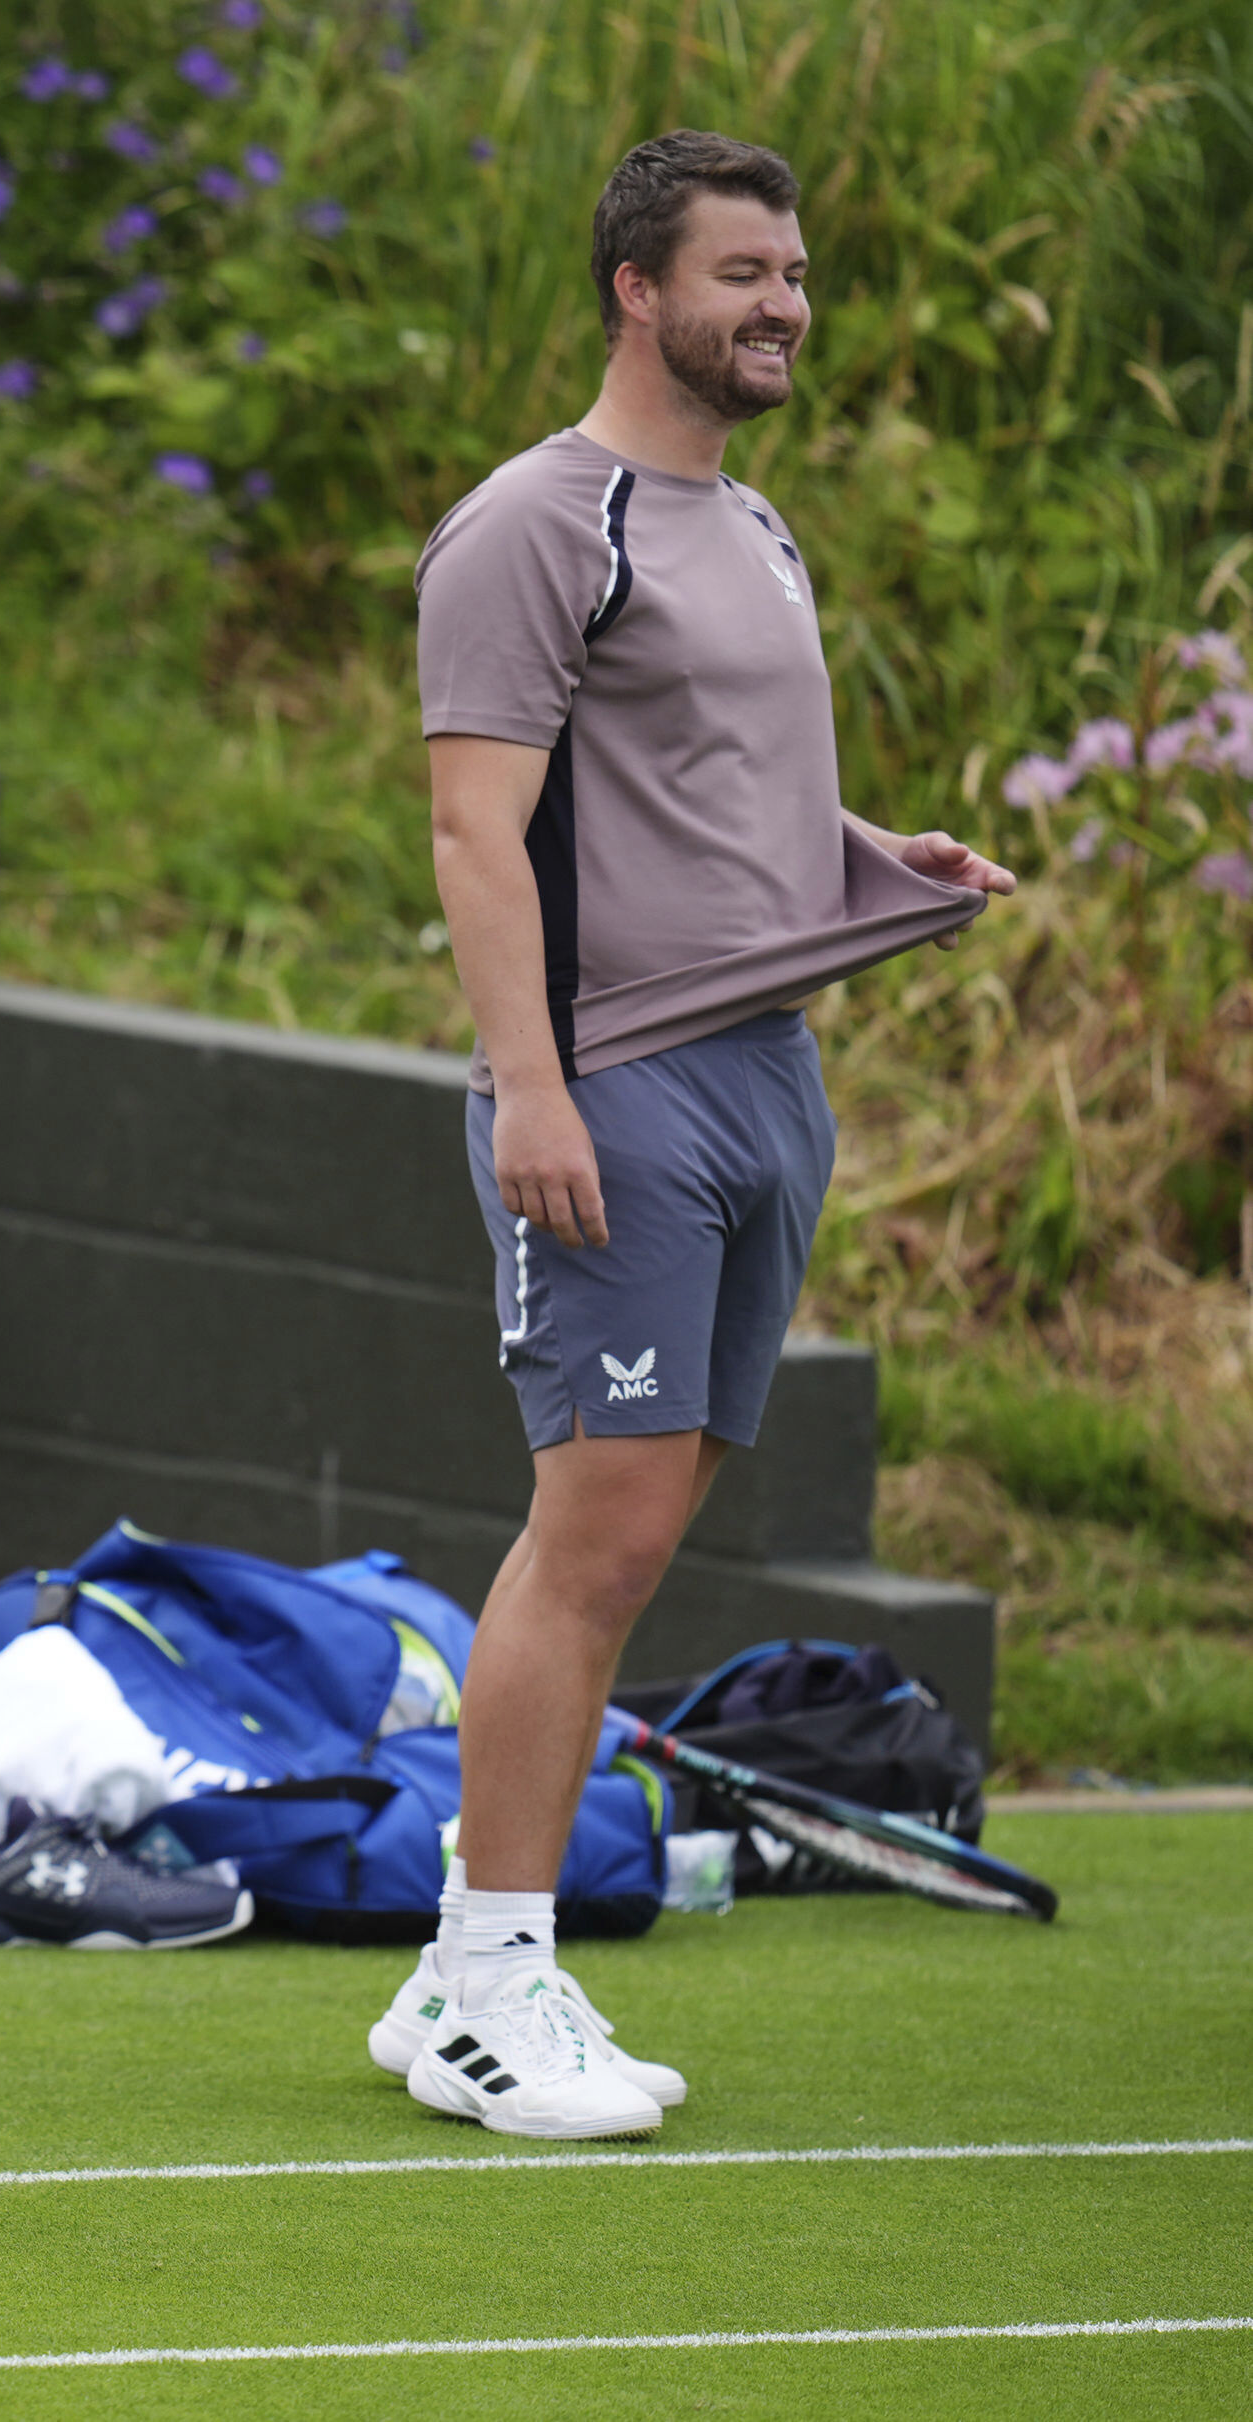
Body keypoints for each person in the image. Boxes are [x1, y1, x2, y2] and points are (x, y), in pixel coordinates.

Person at [385, 133, 1015, 2139]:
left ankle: (464, 1967)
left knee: (636, 1538)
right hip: (619, 1084)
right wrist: (534, 1085)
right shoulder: (533, 527)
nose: (782, 307)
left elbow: (712, 789)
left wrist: (866, 854)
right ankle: (490, 1977)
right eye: (742, 273)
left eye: (798, 275)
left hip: (768, 1073)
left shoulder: (750, 530)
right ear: (635, 291)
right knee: (592, 1538)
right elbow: (476, 828)